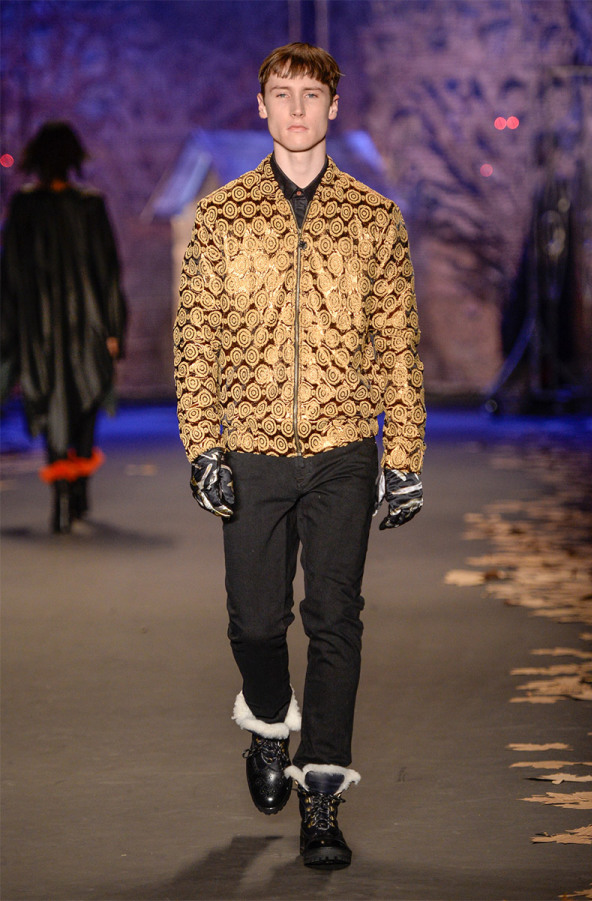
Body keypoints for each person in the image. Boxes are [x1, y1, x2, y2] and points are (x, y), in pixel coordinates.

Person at [174, 42, 425, 869]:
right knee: (253, 621)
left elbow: (397, 341)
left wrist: (404, 453)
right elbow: (195, 339)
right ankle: (267, 717)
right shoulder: (222, 216)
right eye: (281, 94)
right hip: (249, 445)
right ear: (261, 106)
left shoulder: (374, 218)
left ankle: (322, 792)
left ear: (333, 107)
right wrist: (203, 446)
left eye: (310, 96)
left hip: (343, 445)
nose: (295, 109)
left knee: (335, 616)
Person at [1, 121, 127, 533]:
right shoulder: (89, 205)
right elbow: (108, 272)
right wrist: (113, 329)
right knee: (85, 402)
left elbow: (10, 275)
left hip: (39, 330)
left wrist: (11, 334)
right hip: (87, 325)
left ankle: (61, 495)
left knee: (53, 403)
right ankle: (77, 489)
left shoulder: (24, 206)